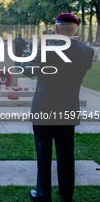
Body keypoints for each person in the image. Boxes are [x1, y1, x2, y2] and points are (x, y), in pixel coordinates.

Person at [22, 13, 94, 202]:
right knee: (66, 153)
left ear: (55, 29)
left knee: (43, 153)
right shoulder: (87, 52)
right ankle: (66, 192)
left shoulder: (46, 50)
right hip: (68, 107)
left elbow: (27, 70)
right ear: (76, 29)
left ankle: (44, 195)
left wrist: (36, 48)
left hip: (44, 108)